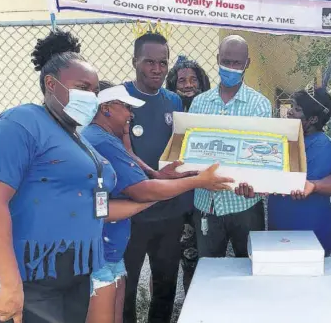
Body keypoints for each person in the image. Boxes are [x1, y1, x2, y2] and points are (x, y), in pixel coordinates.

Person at [0, 29, 159, 323]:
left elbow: (95, 206)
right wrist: (9, 284)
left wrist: (161, 188)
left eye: (95, 91)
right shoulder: (20, 124)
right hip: (30, 277)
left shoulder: (76, 139)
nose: (91, 97)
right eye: (83, 87)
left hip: (74, 272)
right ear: (51, 84)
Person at [82, 84, 233, 323]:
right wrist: (197, 181)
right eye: (126, 108)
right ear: (106, 108)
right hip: (103, 253)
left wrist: (157, 175)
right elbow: (142, 191)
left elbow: (131, 166)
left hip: (110, 249)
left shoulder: (102, 137)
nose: (130, 115)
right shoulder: (102, 141)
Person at [120, 32, 200, 323]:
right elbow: (116, 150)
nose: (156, 69)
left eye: (162, 62)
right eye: (149, 62)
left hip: (170, 212)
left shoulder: (174, 101)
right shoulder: (119, 99)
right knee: (125, 289)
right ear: (134, 62)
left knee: (165, 284)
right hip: (133, 212)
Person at [188, 35, 272, 259]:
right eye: (226, 62)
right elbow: (190, 150)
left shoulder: (259, 105)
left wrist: (257, 181)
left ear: (247, 64)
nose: (231, 68)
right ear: (217, 59)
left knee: (250, 268)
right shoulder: (199, 103)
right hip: (207, 204)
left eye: (237, 63)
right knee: (209, 270)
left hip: (244, 203)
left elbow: (262, 156)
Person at [267, 87, 331, 255]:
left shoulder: (324, 146)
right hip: (281, 222)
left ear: (313, 119)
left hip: (310, 227)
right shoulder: (284, 141)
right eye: (292, 106)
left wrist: (314, 186)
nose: (289, 112)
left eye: (297, 109)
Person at [166, 55, 211, 292]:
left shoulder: (210, 110)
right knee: (181, 257)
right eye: (181, 81)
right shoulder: (168, 112)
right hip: (178, 198)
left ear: (202, 83)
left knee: (203, 258)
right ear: (173, 85)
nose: (188, 85)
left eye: (194, 79)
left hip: (205, 196)